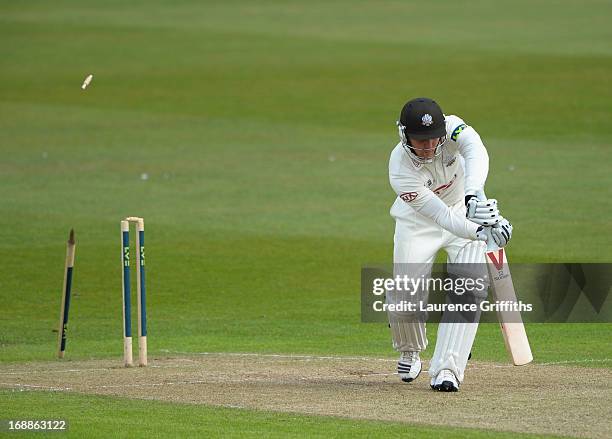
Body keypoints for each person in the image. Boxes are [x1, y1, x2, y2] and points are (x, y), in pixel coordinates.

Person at [387, 97, 513, 392]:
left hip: (461, 208)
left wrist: (473, 196)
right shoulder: (400, 169)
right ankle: (410, 348)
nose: (428, 147)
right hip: (418, 222)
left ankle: (448, 369)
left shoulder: (453, 128)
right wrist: (482, 231)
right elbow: (441, 216)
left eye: (433, 139)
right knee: (406, 296)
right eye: (420, 141)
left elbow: (476, 150)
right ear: (404, 135)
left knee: (470, 288)